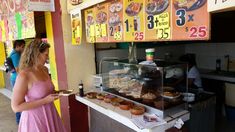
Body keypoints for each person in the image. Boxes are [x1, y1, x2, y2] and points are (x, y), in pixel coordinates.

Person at [11, 40, 67, 132]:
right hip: (35, 119)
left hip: (50, 114)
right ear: (36, 54)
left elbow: (45, 91)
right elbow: (16, 107)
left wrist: (56, 93)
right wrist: (45, 100)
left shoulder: (44, 69)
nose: (47, 57)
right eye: (45, 54)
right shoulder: (24, 75)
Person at [10, 40, 25, 124]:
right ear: (17, 46)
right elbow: (18, 70)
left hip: (15, 78)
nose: (23, 48)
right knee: (19, 101)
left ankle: (20, 120)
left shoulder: (14, 53)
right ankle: (19, 120)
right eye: (22, 47)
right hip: (17, 79)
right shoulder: (16, 55)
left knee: (19, 100)